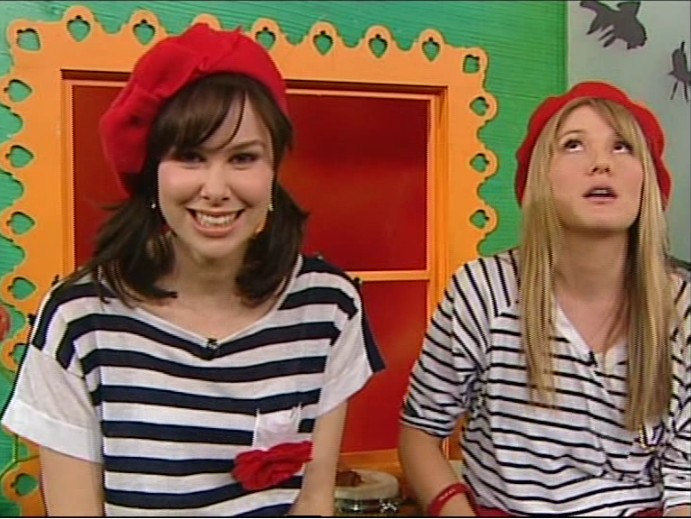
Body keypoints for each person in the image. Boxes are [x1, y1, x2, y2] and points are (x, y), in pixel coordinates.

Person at [1, 23, 384, 517]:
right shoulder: (79, 319)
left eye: (243, 157)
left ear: (273, 170)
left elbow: (313, 500)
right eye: (190, 157)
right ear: (152, 173)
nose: (216, 189)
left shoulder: (327, 306)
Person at [398, 81, 690, 517]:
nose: (602, 163)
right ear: (540, 177)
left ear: (647, 180)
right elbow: (420, 433)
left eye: (622, 147)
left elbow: (685, 487)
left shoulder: (682, 309)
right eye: (574, 145)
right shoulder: (483, 291)